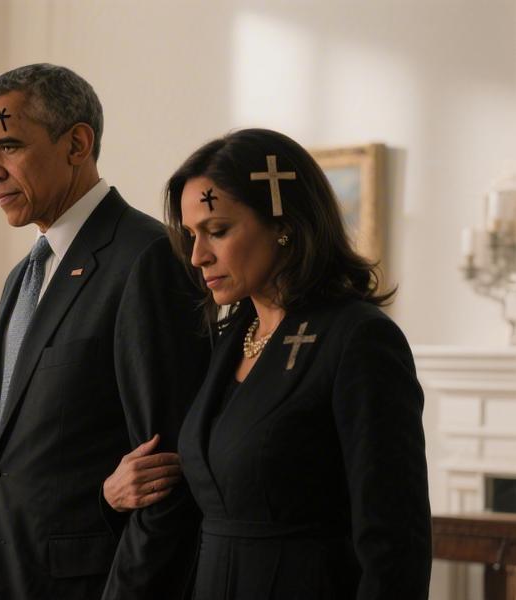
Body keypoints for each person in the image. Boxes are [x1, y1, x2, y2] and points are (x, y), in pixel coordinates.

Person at [106, 128, 432, 598]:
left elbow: (395, 543)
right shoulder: (229, 339)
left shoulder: (358, 339)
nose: (197, 256)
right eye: (192, 235)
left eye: (218, 231)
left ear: (284, 224)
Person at [0, 63, 210, 600]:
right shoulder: (22, 276)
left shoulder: (149, 258)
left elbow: (167, 478)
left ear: (77, 144)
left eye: (8, 146)